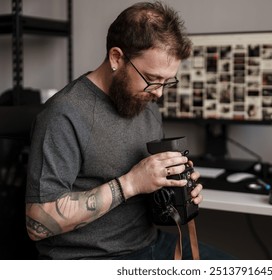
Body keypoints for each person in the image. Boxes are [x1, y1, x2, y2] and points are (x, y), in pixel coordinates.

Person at [25, 1, 233, 260]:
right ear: (116, 58)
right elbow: (38, 224)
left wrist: (177, 189)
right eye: (152, 78)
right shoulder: (64, 113)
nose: (158, 92)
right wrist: (131, 183)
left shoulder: (144, 102)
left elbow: (147, 191)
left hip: (149, 244)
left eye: (167, 81)